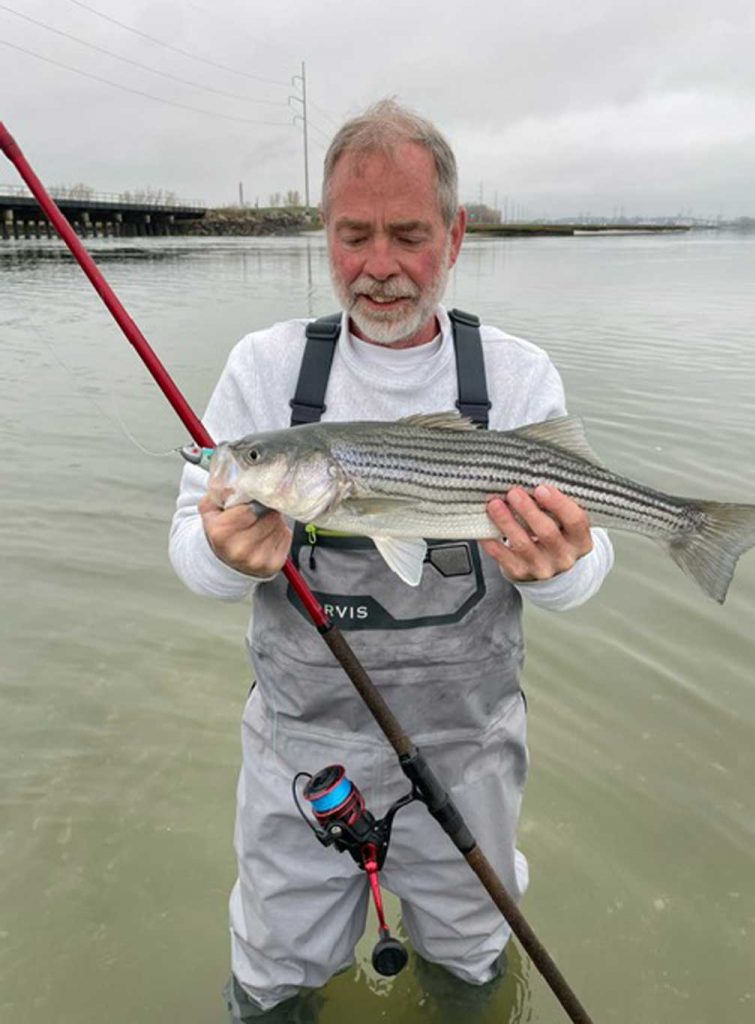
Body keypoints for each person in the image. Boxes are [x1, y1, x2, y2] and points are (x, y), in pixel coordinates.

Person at [169, 99, 613, 1020]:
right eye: (353, 235)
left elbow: (587, 566)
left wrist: (560, 565)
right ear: (323, 235)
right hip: (303, 753)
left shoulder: (519, 376)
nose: (379, 267)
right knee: (273, 970)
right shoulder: (266, 367)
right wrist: (225, 552)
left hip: (470, 748)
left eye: (409, 235)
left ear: (455, 236)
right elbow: (190, 543)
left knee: (472, 957)